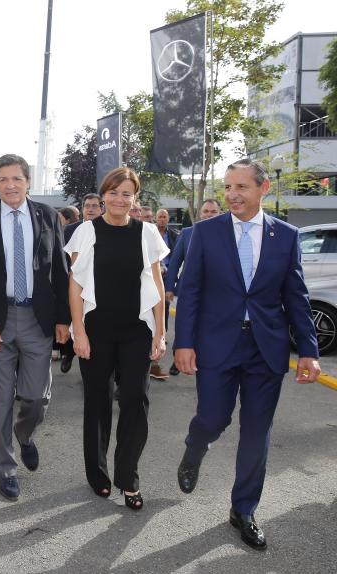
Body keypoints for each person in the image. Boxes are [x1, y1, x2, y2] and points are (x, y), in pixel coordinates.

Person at [175, 158, 321, 550]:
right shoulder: (204, 233)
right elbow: (189, 292)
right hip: (217, 344)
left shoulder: (286, 236)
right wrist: (183, 343)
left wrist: (308, 350)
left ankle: (243, 509)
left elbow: (296, 297)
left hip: (266, 350)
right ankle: (196, 445)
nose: (232, 195)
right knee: (212, 417)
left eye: (241, 187)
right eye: (227, 187)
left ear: (263, 189)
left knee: (257, 433)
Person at [0, 154, 70, 502]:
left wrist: (62, 319)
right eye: (3, 180)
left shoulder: (47, 216)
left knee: (35, 399)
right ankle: (6, 469)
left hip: (37, 320)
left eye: (17, 179)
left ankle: (25, 435)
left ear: (28, 181)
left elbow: (60, 270)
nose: (10, 185)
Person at [66, 167, 168, 511]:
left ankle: (128, 479)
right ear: (103, 195)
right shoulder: (86, 231)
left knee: (136, 401)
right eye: (113, 192)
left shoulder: (148, 232)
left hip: (137, 331)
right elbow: (76, 285)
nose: (119, 199)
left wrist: (161, 332)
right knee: (97, 402)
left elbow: (157, 285)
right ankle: (98, 474)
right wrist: (78, 331)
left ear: (135, 198)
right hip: (96, 331)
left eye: (127, 193)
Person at [164, 198, 221, 376]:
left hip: (217, 292)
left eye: (213, 212)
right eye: (206, 211)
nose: (209, 215)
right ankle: (177, 358)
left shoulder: (227, 234)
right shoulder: (188, 233)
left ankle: (207, 359)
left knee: (209, 327)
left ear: (220, 213)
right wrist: (169, 287)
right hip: (189, 291)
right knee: (185, 324)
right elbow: (174, 262)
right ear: (200, 213)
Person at [60, 193, 102, 374]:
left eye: (94, 206)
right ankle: (69, 353)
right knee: (74, 319)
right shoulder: (71, 230)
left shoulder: (106, 228)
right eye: (87, 206)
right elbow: (62, 257)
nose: (90, 209)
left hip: (98, 288)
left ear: (101, 208)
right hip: (75, 284)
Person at [149, 208, 179, 381]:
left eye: (164, 217)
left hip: (166, 277)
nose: (161, 219)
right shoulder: (150, 233)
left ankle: (161, 335)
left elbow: (176, 259)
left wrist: (170, 285)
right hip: (150, 276)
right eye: (159, 216)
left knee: (163, 311)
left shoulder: (174, 235)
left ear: (168, 219)